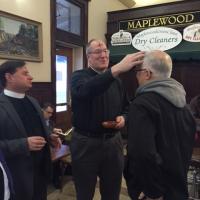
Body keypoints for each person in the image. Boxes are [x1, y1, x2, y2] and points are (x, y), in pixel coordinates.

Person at [70, 38, 144, 200]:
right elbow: (85, 91)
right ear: (88, 56)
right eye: (98, 51)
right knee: (84, 192)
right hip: (85, 142)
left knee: (112, 191)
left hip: (113, 142)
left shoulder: (117, 81)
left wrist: (124, 118)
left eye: (105, 51)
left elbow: (127, 106)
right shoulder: (78, 77)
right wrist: (115, 70)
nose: (103, 55)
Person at [124, 50, 196, 200]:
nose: (137, 75)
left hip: (154, 191)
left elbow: (142, 153)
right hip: (178, 187)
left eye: (138, 71)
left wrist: (153, 192)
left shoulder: (142, 105)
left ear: (147, 73)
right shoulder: (184, 105)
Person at [0, 60, 61, 200]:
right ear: (9, 77)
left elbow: (38, 128)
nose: (31, 77)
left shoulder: (32, 101)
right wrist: (24, 144)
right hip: (17, 176)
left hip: (40, 171)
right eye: (25, 73)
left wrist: (49, 136)